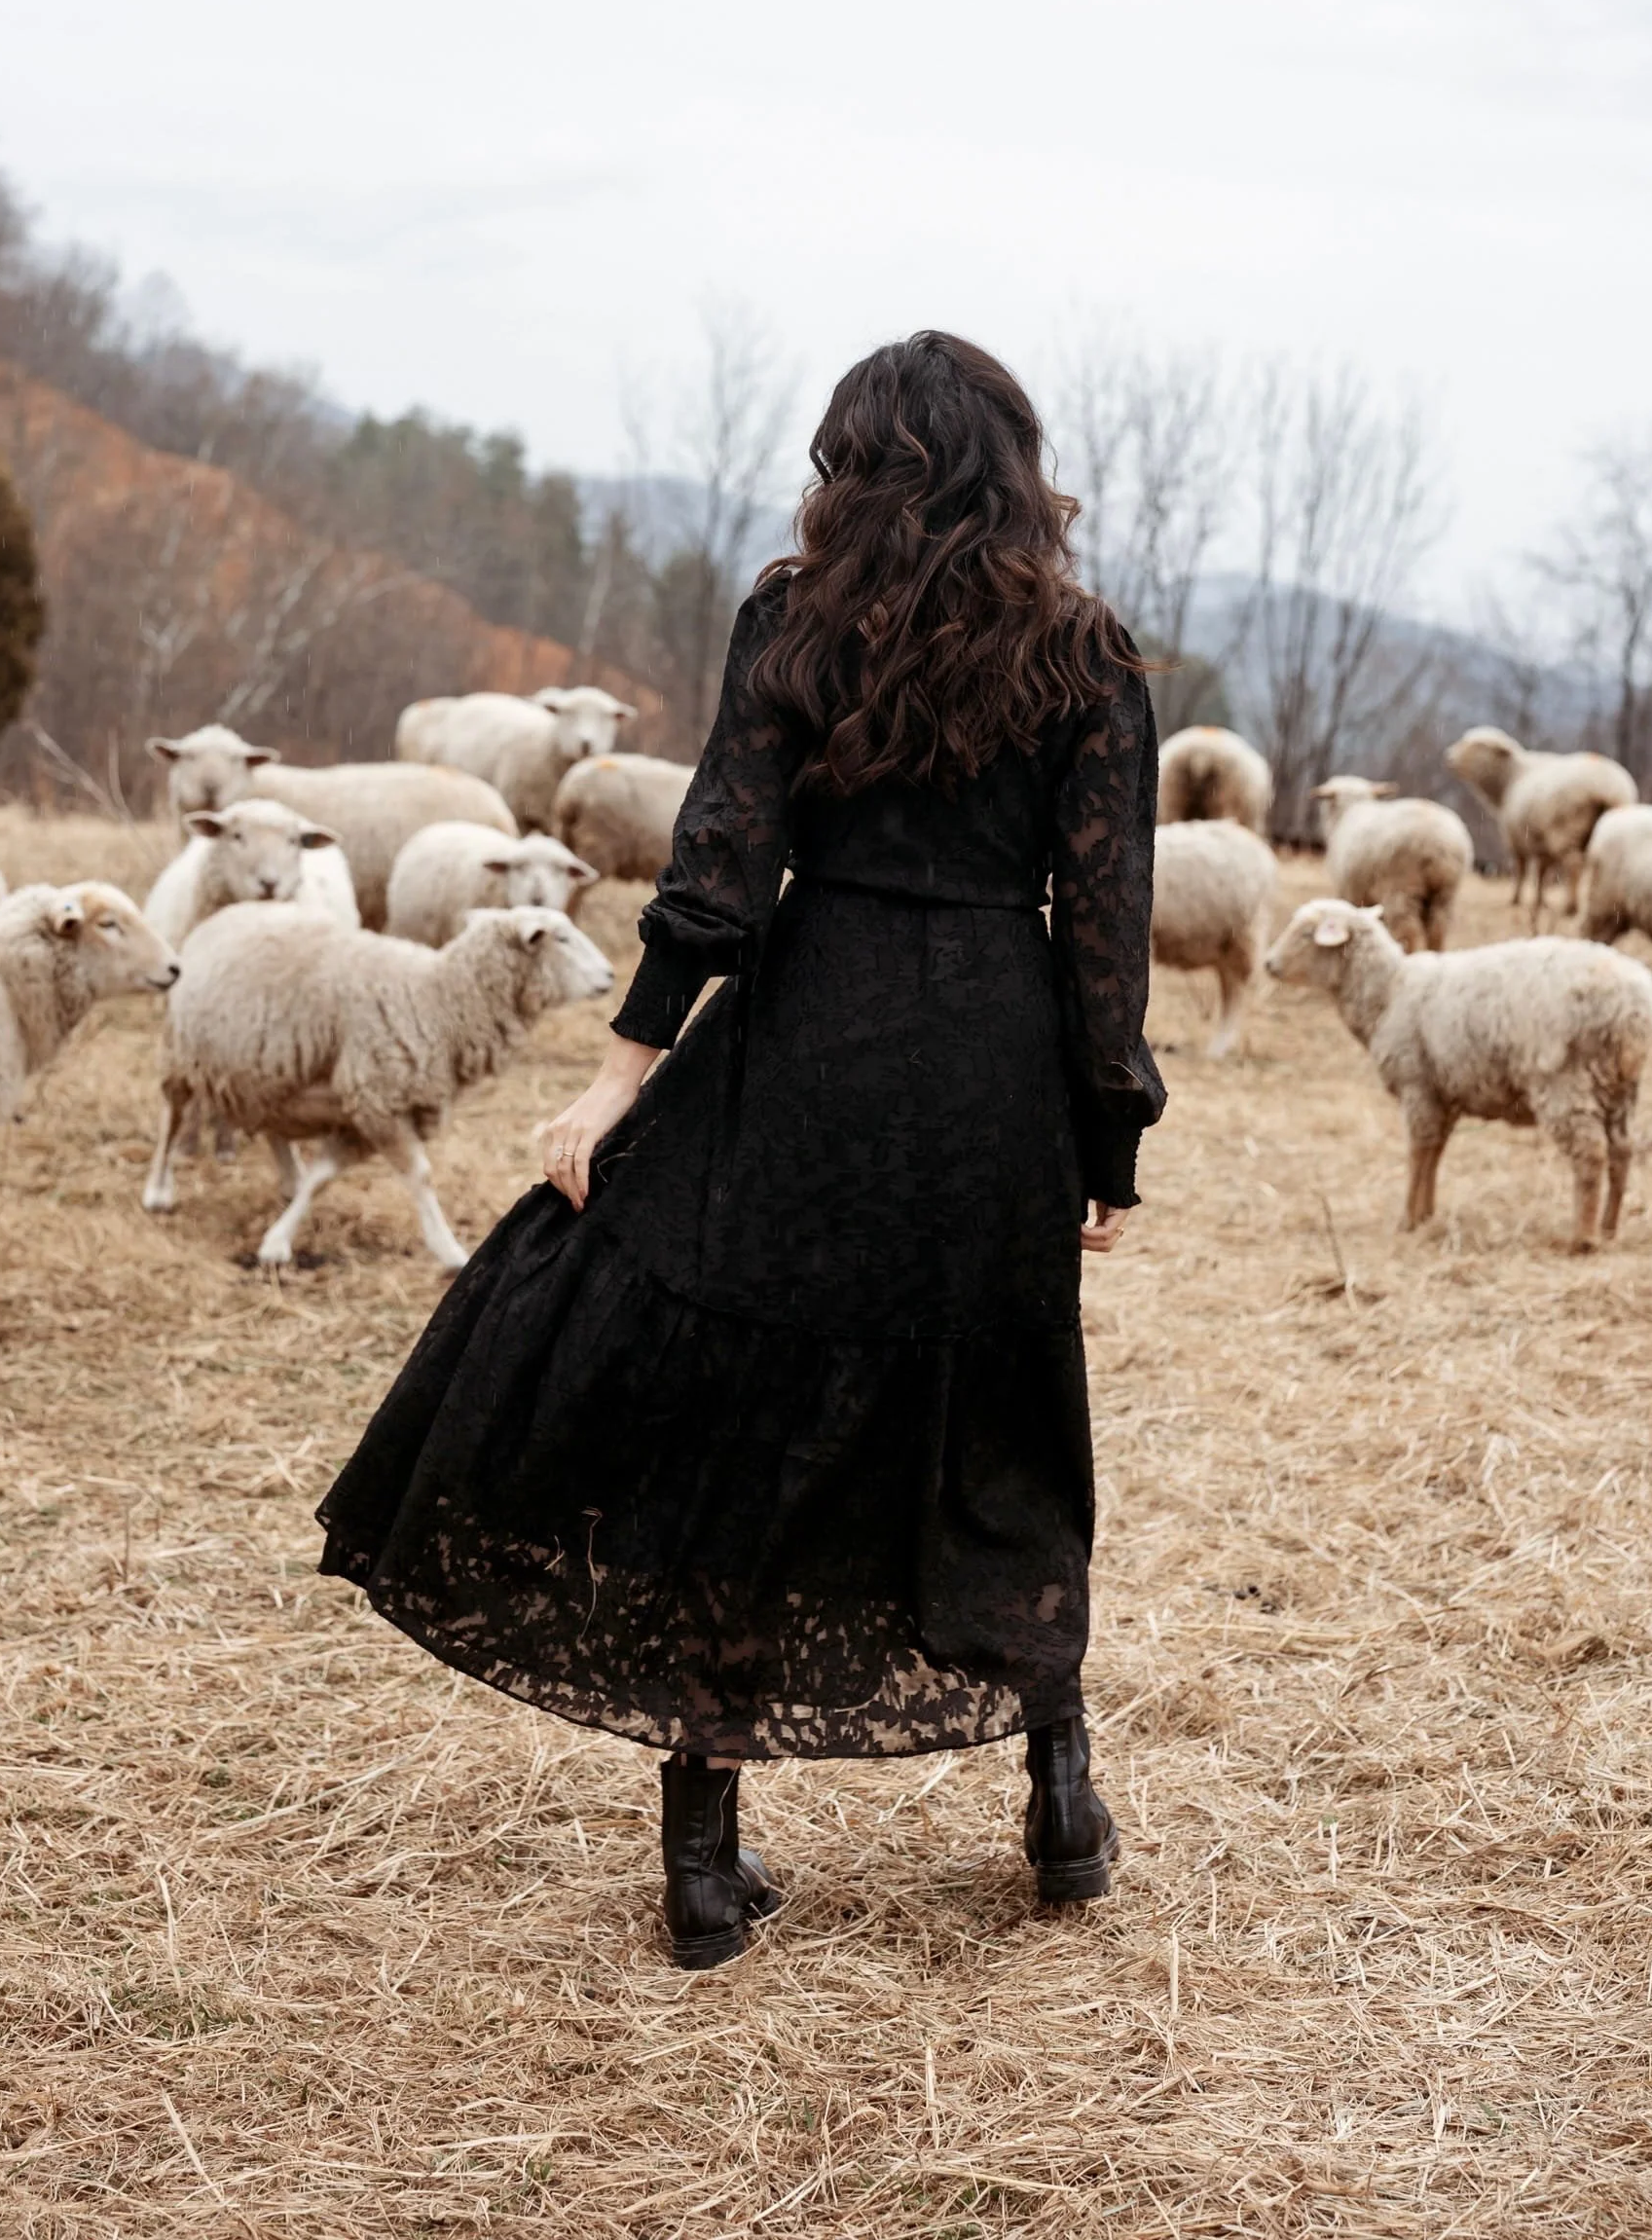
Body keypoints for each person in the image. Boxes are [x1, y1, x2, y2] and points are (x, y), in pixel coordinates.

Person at [318, 330, 1165, 1968]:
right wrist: (1104, 1137)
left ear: (859, 469)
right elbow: (1105, 929)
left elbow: (720, 866)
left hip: (805, 1042)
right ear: (1013, 469)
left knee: (743, 1416)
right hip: (989, 1072)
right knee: (999, 1420)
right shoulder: (1087, 655)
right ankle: (1062, 1799)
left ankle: (703, 1863)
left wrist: (621, 1079)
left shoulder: (797, 619)